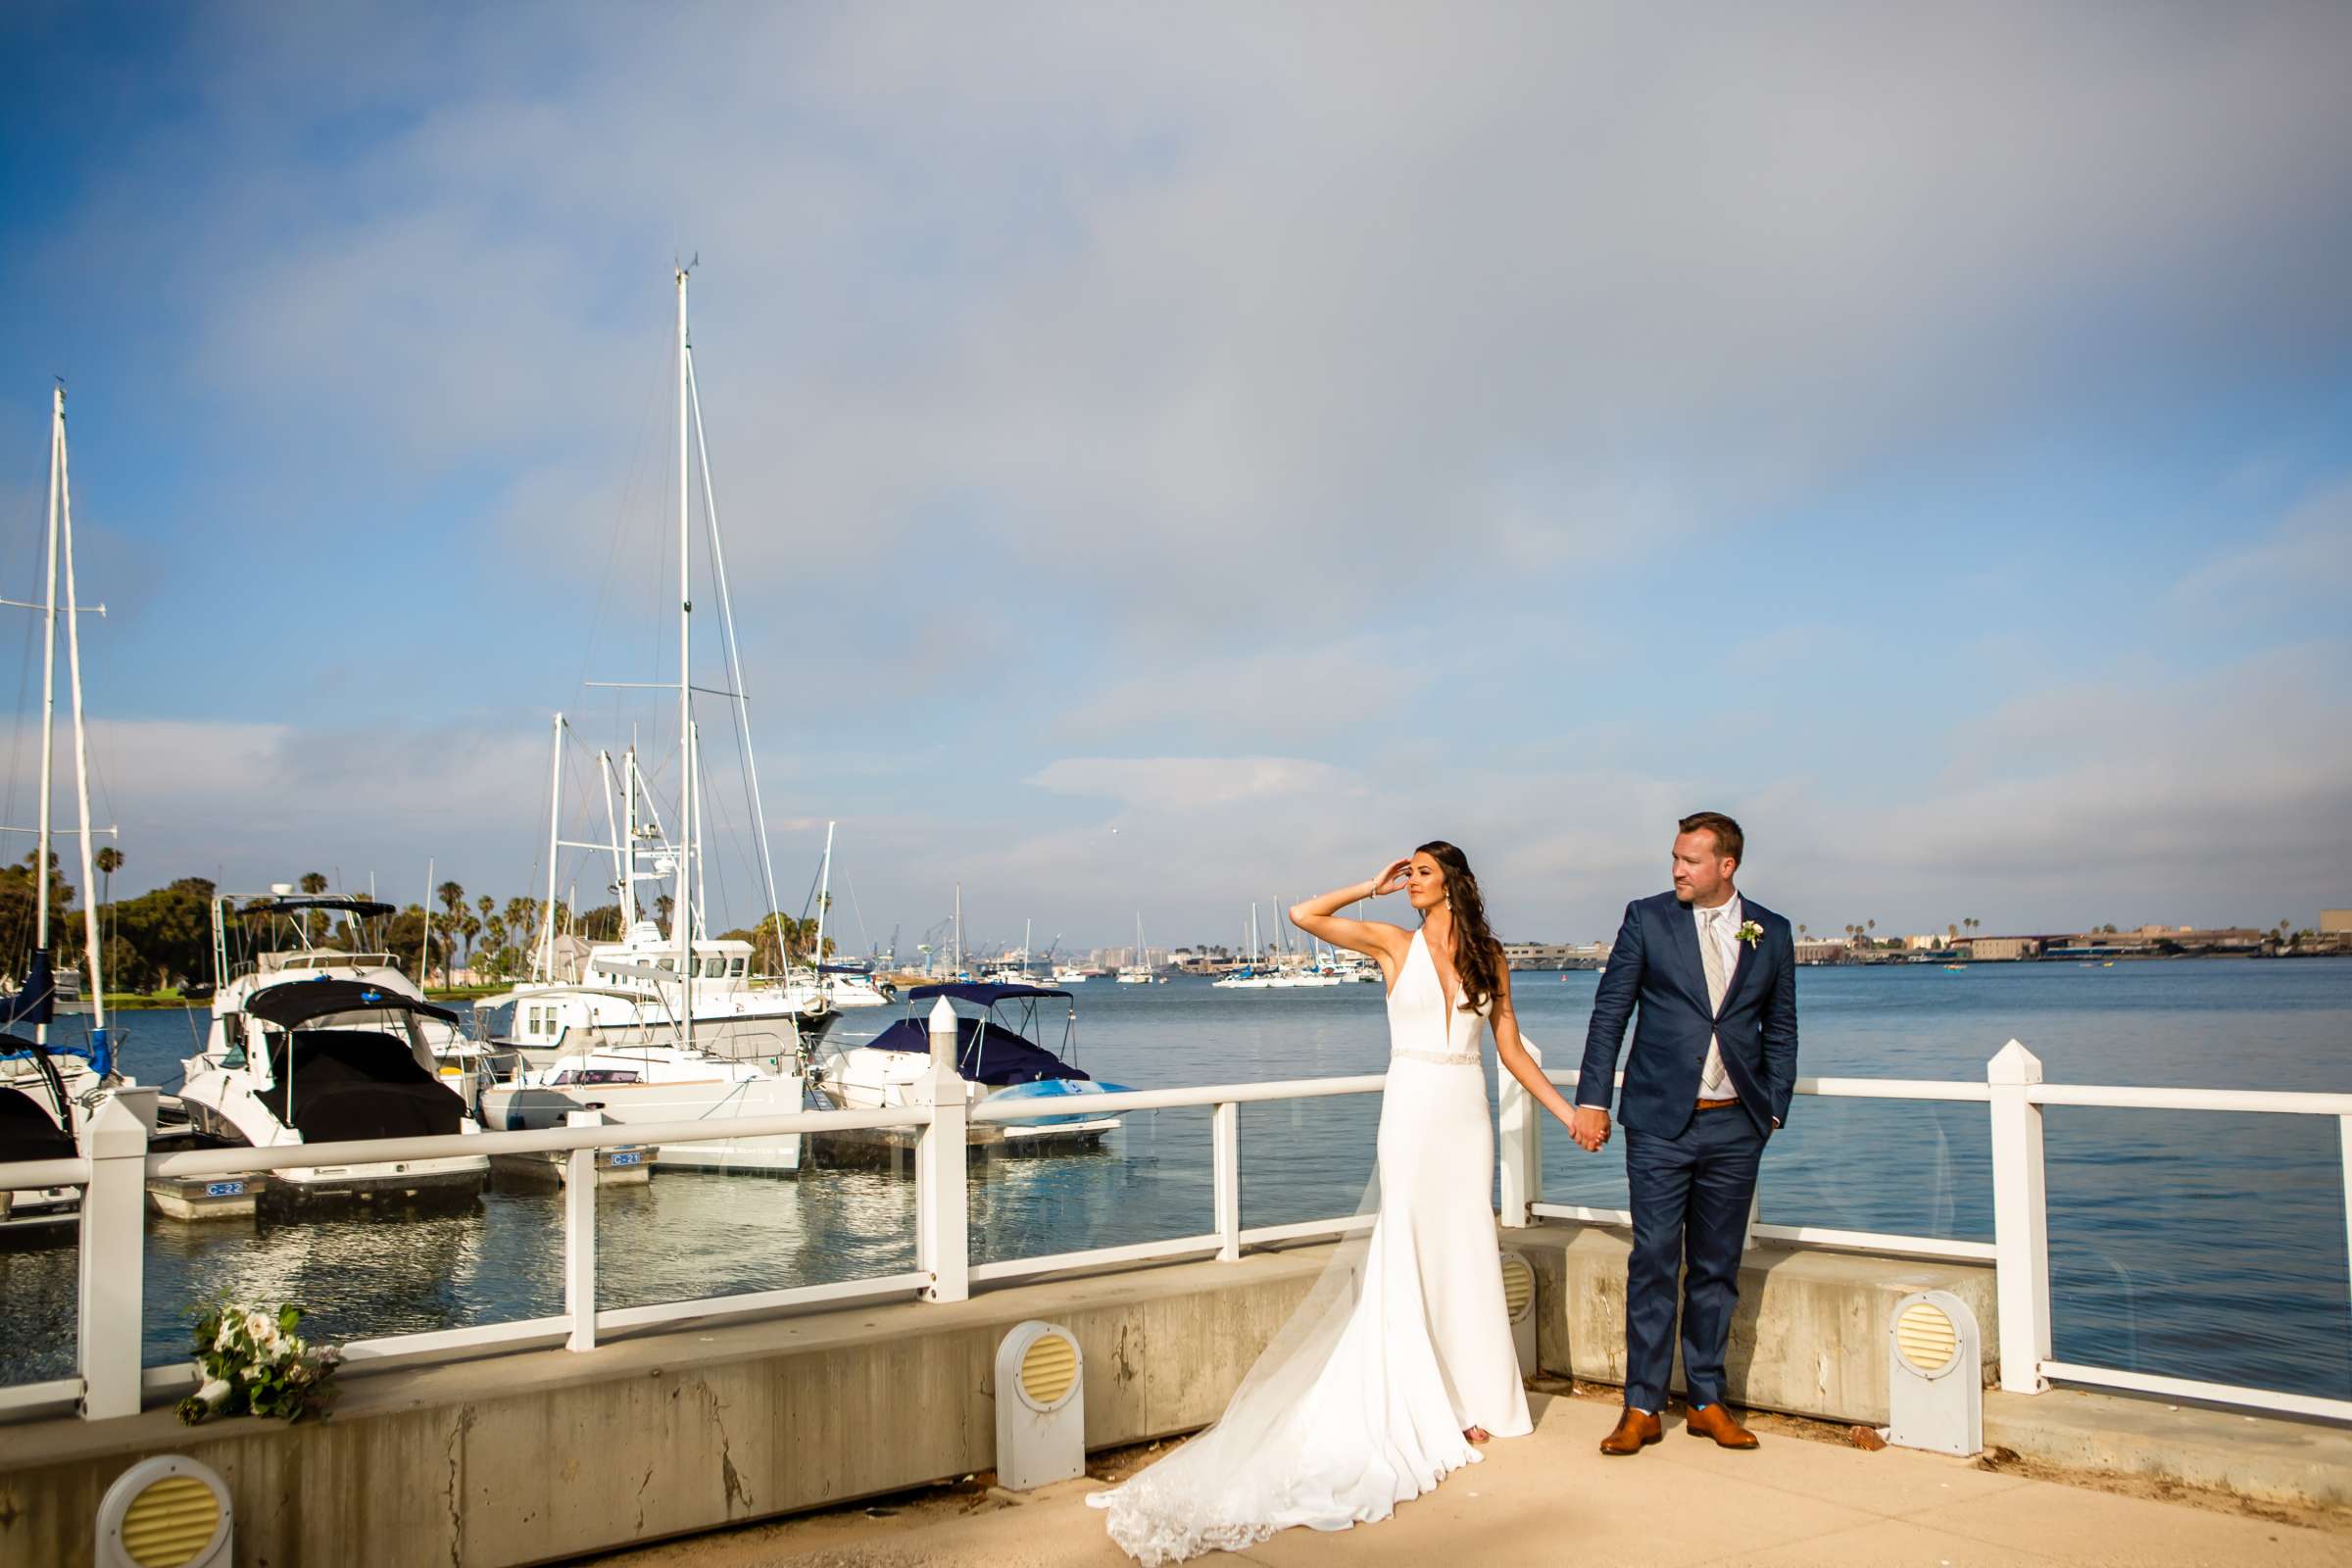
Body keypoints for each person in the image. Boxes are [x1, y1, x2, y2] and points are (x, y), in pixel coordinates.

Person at [1088, 841, 1584, 1564]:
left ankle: (1472, 1402)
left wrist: (1567, 1115)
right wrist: (1369, 885)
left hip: (1464, 1114)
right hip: (1412, 1109)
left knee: (1467, 1249)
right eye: (1408, 872)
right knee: (1409, 1244)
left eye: (1422, 872)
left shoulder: (1491, 957)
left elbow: (1508, 1047)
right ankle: (1423, 1404)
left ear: (1455, 884)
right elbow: (1302, 915)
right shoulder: (1390, 942)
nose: (1411, 880)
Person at [1571, 811, 1798, 1455]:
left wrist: (1772, 1109)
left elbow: (1781, 1026)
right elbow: (1611, 1012)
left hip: (1736, 1127)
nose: (1676, 869)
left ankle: (1705, 1400)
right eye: (1674, 858)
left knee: (1717, 1269)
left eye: (1690, 861)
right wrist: (1593, 1100)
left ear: (1726, 866)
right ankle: (1641, 1406)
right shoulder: (1647, 918)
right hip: (1659, 1124)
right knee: (1653, 1260)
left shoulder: (1771, 932)